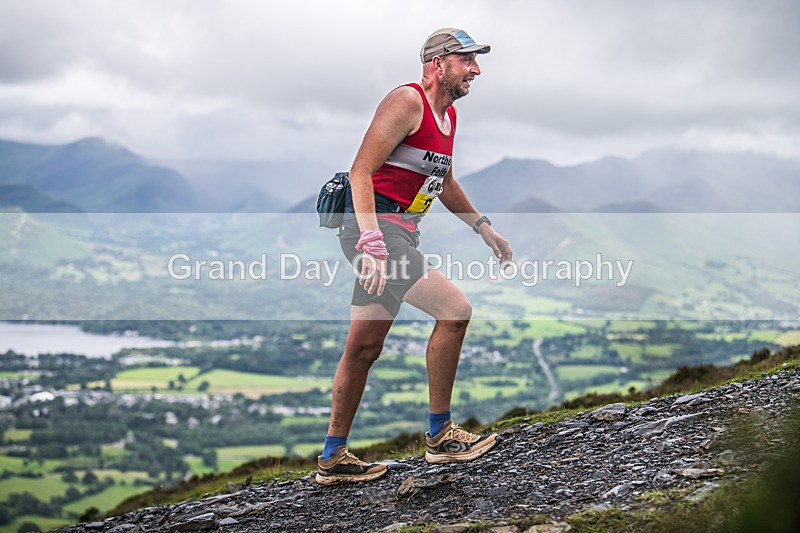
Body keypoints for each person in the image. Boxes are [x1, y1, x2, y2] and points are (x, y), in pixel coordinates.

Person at [316, 28, 513, 485]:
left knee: (364, 347)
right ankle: (441, 435)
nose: (476, 71)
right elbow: (360, 171)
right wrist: (372, 243)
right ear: (438, 63)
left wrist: (484, 228)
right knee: (455, 311)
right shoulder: (407, 102)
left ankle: (333, 457)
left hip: (396, 232)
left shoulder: (448, 119)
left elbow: (442, 183)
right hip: (377, 231)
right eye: (467, 60)